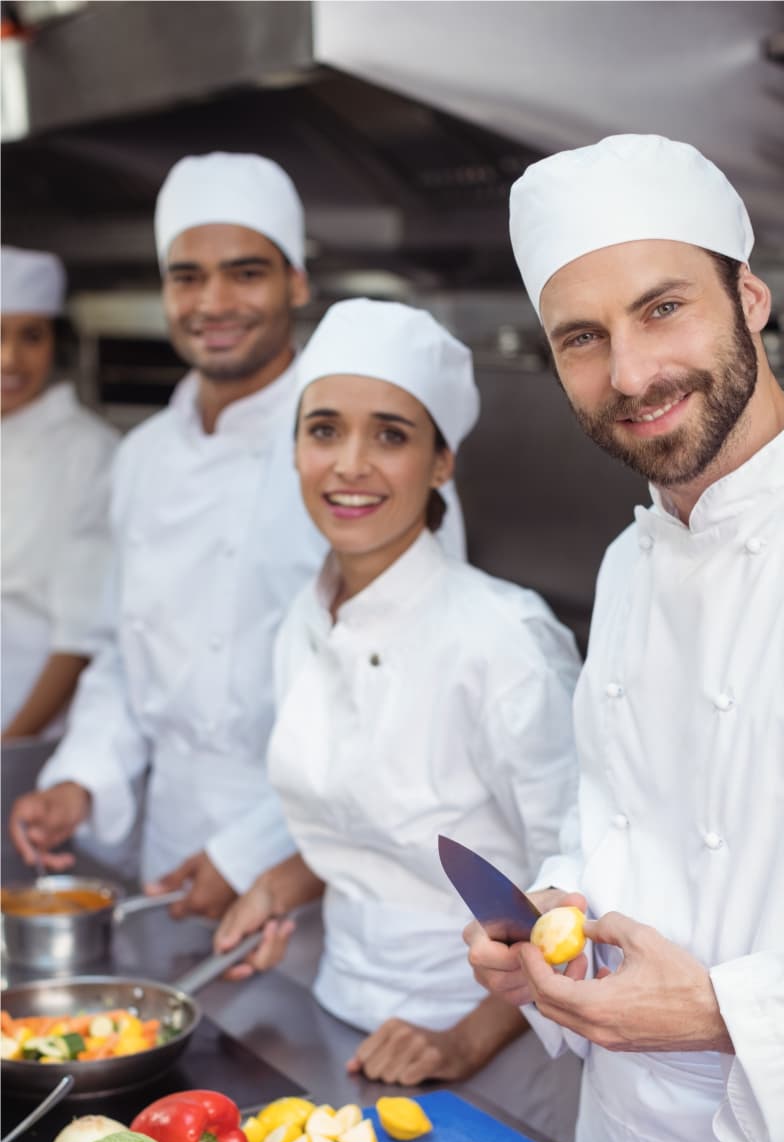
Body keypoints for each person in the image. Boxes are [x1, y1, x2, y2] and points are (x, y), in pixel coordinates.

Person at [461, 135, 784, 1142]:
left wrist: (720, 1013)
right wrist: (554, 914)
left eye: (661, 308)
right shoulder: (629, 564)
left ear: (750, 297)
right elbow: (623, 816)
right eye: (581, 338)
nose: (630, 372)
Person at [8, 153, 467, 903]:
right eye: (187, 276)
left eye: (245, 273)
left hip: (322, 857)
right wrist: (80, 779)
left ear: (296, 283)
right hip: (167, 837)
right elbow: (122, 651)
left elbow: (412, 693)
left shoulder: (361, 453)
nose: (213, 302)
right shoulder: (142, 457)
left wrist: (249, 853)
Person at [213, 298, 580, 1081]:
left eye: (390, 434)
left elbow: (579, 883)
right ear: (294, 449)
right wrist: (281, 882)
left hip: (490, 1048)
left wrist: (462, 1042)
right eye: (323, 430)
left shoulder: (503, 640)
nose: (349, 463)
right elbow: (378, 822)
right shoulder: (303, 619)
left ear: (441, 462)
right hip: (339, 1013)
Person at [1, 246, 118, 740]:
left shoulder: (89, 451)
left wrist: (10, 746)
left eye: (31, 335)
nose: (10, 358)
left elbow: (80, 634)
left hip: (27, 724)